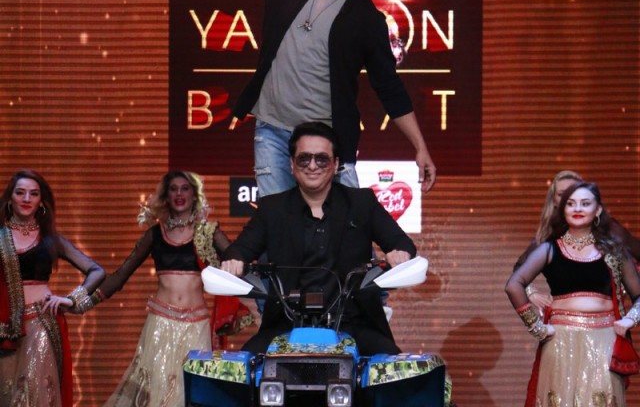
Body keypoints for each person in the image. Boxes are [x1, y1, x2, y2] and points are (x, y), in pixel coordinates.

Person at [175, 0, 437, 197]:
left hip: (327, 143)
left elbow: (389, 87)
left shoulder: (367, 20)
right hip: (273, 134)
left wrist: (420, 147)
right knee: (277, 221)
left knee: (343, 222)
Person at [220, 121, 417, 355]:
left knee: (397, 371)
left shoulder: (361, 203)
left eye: (321, 159)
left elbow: (403, 244)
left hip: (354, 324)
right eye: (304, 159)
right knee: (242, 369)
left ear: (335, 164)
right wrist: (234, 261)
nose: (312, 166)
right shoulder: (272, 208)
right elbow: (239, 249)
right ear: (292, 165)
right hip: (286, 326)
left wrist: (400, 254)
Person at [90, 171, 252, 406]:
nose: (179, 194)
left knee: (192, 390)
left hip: (196, 326)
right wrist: (82, 302)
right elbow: (120, 276)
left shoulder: (207, 232)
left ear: (194, 195)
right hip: (160, 324)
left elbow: (235, 257)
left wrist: (238, 264)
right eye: (173, 189)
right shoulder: (155, 234)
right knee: (156, 391)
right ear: (166, 196)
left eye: (185, 188)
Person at [505, 182, 640, 406]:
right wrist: (537, 328)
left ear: (598, 210)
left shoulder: (614, 251)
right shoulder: (549, 249)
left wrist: (630, 320)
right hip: (560, 340)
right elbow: (514, 285)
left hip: (603, 340)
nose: (578, 209)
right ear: (563, 210)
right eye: (571, 204)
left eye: (585, 204)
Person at [0, 169, 106, 406]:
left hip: (42, 322)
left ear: (41, 201)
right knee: (7, 394)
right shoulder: (0, 237)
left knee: (36, 392)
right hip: (5, 330)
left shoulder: (51, 240)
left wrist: (72, 299)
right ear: (9, 199)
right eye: (20, 192)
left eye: (33, 194)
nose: (26, 199)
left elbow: (97, 271)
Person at [514, 170, 640, 312]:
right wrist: (532, 293)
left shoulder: (609, 229)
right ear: (554, 201)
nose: (573, 201)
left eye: (575, 193)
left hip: (609, 318)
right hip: (563, 320)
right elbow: (519, 272)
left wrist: (625, 287)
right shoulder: (547, 235)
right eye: (563, 195)